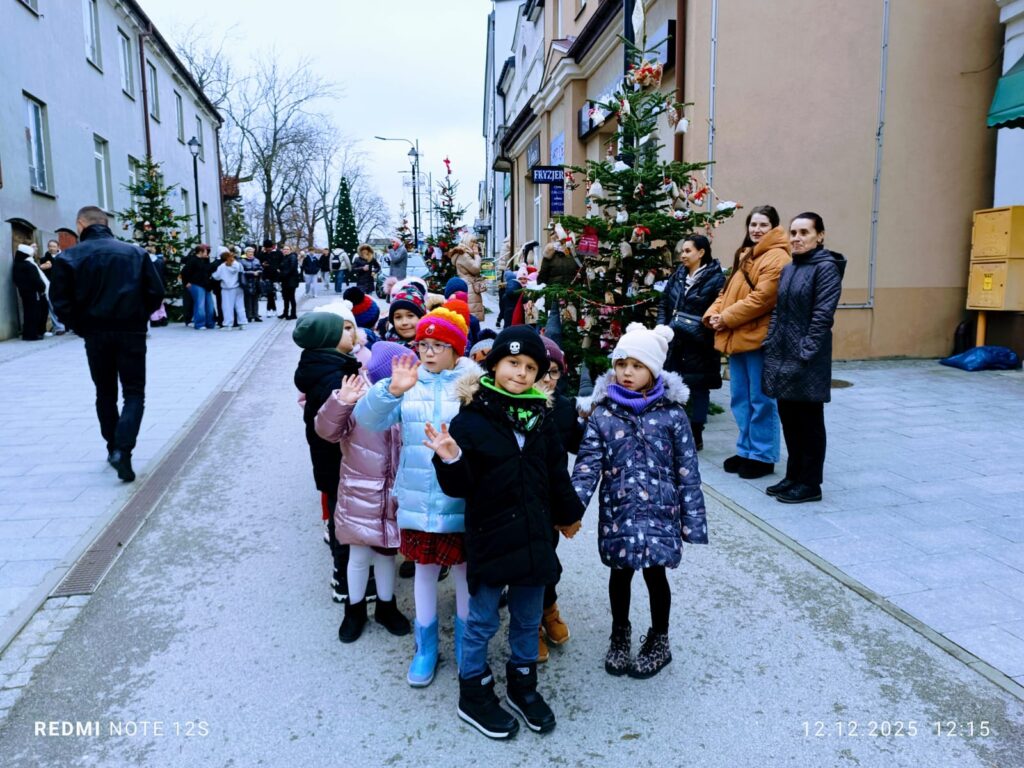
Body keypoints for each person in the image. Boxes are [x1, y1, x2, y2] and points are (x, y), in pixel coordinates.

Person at [425, 326, 585, 739]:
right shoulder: (471, 419)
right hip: (492, 536)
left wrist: (569, 513)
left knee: (528, 618)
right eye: (513, 363)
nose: (521, 373)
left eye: (530, 367)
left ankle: (523, 685)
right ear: (494, 365)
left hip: (534, 538)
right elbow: (460, 486)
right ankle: (473, 692)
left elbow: (556, 472)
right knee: (481, 620)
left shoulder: (542, 418)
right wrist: (450, 458)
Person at [571, 323, 708, 679]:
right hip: (619, 512)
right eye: (621, 364)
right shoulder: (603, 414)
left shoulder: (673, 415)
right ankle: (620, 634)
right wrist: (570, 509)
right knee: (620, 575)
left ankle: (660, 638)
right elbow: (587, 467)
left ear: (654, 370)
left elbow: (687, 471)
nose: (627, 372)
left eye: (637, 365)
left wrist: (693, 522)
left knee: (655, 575)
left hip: (661, 513)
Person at [354, 300, 477, 688]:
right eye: (424, 344)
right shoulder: (408, 383)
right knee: (424, 570)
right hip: (418, 498)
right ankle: (426, 647)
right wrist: (391, 390)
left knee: (465, 571)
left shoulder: (473, 385)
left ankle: (466, 644)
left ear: (456, 349)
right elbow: (366, 419)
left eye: (439, 345)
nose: (429, 352)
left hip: (461, 498)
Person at [50, 206, 164, 482]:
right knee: (134, 393)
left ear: (81, 224)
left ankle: (113, 447)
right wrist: (138, 317)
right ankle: (123, 449)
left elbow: (60, 301)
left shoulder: (69, 257)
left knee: (105, 392)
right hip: (130, 331)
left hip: (95, 333)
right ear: (106, 223)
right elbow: (155, 291)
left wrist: (80, 326)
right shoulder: (134, 253)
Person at [315, 341, 414, 643]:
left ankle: (386, 605)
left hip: (394, 493)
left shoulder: (408, 399)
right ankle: (354, 608)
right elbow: (326, 431)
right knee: (358, 555)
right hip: (360, 491)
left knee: (386, 553)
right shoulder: (358, 395)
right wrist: (340, 402)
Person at [762, 212, 846, 504]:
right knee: (790, 420)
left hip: (807, 359)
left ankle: (810, 483)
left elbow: (823, 316)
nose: (796, 238)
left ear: (820, 236)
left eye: (804, 233)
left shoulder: (826, 268)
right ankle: (794, 475)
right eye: (793, 233)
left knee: (809, 423)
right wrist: (771, 340)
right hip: (782, 355)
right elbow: (778, 310)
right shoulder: (790, 268)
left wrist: (806, 351)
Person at [704, 205, 791, 479]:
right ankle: (745, 450)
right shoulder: (746, 254)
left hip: (758, 338)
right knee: (740, 398)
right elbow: (726, 291)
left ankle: (763, 455)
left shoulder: (778, 257)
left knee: (761, 400)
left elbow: (762, 298)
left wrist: (726, 318)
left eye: (763, 225)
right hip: (737, 335)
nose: (756, 229)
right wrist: (713, 314)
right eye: (753, 224)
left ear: (774, 228)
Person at [293, 305, 362, 603]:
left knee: (339, 513)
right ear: (329, 340)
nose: (350, 333)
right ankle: (344, 577)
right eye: (343, 329)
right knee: (343, 520)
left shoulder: (322, 365)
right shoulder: (334, 376)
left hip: (328, 459)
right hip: (339, 459)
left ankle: (346, 572)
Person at [533, 335, 584, 663]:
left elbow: (580, 445)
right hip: (518, 500)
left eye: (554, 372)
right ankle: (529, 626)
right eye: (541, 371)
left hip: (550, 503)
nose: (547, 380)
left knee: (547, 560)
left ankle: (548, 609)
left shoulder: (563, 408)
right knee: (525, 565)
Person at [658, 235, 725, 450]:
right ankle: (673, 431)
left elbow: (717, 309)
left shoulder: (716, 279)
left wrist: (699, 328)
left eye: (688, 251)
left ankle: (696, 434)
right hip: (675, 342)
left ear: (701, 252)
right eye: (682, 251)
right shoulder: (677, 276)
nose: (683, 255)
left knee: (698, 388)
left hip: (700, 344)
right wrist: (662, 328)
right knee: (671, 384)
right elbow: (664, 303)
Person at [12, 243, 48, 340]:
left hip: (24, 293)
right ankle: (32, 334)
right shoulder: (29, 265)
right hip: (34, 293)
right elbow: (36, 280)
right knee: (34, 313)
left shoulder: (17, 265)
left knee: (28, 313)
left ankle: (27, 334)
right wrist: (42, 287)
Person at [180, 244, 216, 330]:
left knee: (209, 305)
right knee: (200, 304)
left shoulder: (205, 260)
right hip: (196, 284)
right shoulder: (193, 260)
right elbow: (184, 272)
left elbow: (207, 270)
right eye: (206, 251)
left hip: (205, 285)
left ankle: (210, 323)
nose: (207, 253)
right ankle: (200, 324)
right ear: (200, 252)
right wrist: (186, 282)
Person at [379, 282, 426, 347]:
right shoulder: (384, 346)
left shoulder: (432, 347)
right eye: (398, 317)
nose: (404, 322)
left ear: (422, 318)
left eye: (410, 316)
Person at [449, 240, 485, 321]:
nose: (476, 245)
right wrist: (477, 255)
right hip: (469, 286)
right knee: (472, 315)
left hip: (467, 284)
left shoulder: (462, 254)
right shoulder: (464, 255)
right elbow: (476, 269)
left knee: (470, 315)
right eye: (474, 243)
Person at [212, 248, 247, 330]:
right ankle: (242, 323)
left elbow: (216, 277)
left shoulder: (222, 266)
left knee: (227, 307)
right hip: (239, 288)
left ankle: (228, 324)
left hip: (227, 289)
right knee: (240, 306)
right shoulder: (238, 264)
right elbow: (243, 273)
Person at [39, 240, 67, 335]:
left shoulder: (64, 257)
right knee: (52, 306)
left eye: (54, 246)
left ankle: (68, 325)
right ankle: (59, 328)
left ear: (58, 247)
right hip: (50, 285)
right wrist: (42, 266)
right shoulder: (44, 259)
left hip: (63, 285)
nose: (51, 248)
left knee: (65, 305)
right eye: (50, 246)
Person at [240, 246, 263, 322]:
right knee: (248, 300)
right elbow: (242, 272)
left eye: (252, 252)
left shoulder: (256, 260)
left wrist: (258, 272)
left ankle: (256, 315)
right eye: (249, 252)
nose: (251, 253)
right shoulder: (242, 261)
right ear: (246, 253)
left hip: (256, 282)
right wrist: (252, 273)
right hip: (247, 282)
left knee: (255, 300)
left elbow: (261, 269)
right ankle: (249, 315)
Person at [260, 239, 282, 314]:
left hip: (275, 275)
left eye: (269, 248)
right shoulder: (263, 254)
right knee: (270, 293)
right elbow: (259, 261)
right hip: (266, 275)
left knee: (272, 293)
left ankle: (270, 309)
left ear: (271, 247)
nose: (268, 249)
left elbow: (281, 262)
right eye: (266, 248)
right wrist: (263, 264)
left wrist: (279, 269)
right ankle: (272, 309)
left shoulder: (278, 253)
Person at [279, 244, 300, 319]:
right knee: (285, 298)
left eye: (287, 249)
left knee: (291, 297)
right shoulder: (284, 257)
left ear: (290, 250)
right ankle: (285, 313)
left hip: (291, 281)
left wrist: (283, 274)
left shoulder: (292, 257)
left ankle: (293, 314)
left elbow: (292, 268)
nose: (285, 250)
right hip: (285, 280)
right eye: (284, 249)